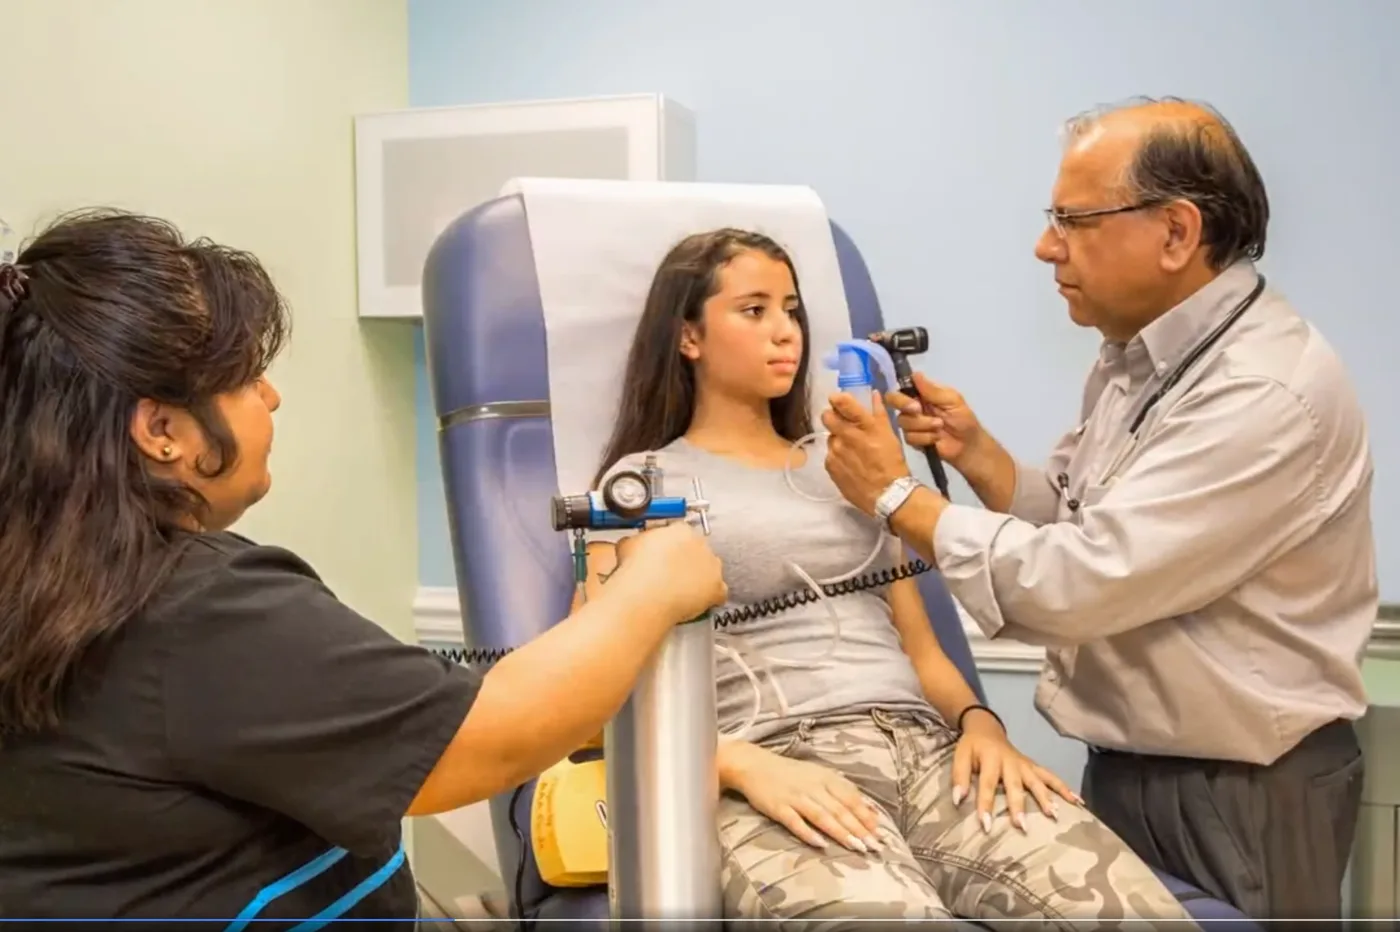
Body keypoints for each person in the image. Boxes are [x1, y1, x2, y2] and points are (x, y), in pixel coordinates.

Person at [0, 209, 728, 925]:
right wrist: (652, 588)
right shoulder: (195, 608)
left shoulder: (48, 577)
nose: (271, 395)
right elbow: (488, 738)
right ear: (162, 430)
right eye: (247, 378)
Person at [820, 96, 1375, 920]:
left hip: (1239, 793)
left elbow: (1079, 582)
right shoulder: (1140, 355)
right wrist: (980, 457)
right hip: (1134, 768)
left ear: (1177, 232)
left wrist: (898, 496)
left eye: (1073, 221)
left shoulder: (1261, 392)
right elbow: (1088, 519)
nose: (1047, 247)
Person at [581, 226, 1193, 927]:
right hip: (780, 762)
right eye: (754, 310)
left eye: (792, 311)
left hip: (931, 753)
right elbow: (588, 688)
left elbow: (921, 651)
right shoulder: (642, 485)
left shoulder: (852, 466)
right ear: (689, 336)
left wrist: (982, 727)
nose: (785, 332)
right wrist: (734, 764)